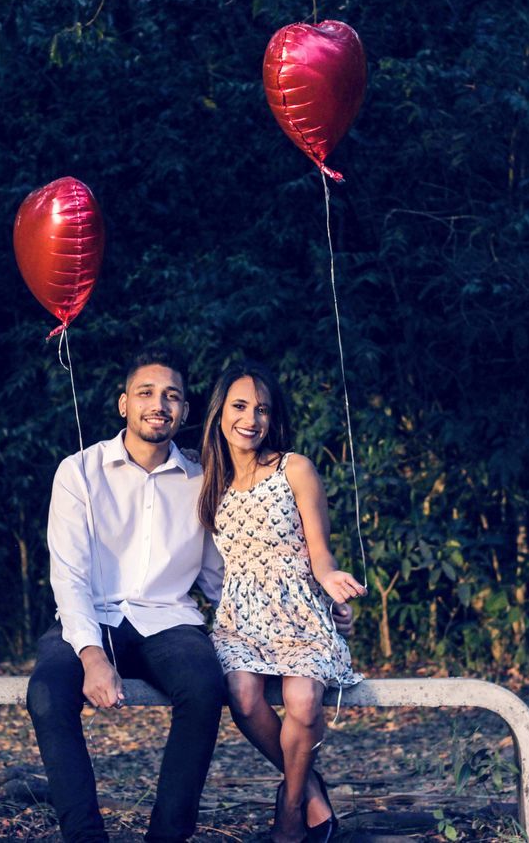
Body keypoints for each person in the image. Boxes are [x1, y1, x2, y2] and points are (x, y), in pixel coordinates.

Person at [26, 349, 351, 843]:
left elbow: (229, 570)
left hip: (169, 624)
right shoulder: (79, 471)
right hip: (90, 619)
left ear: (185, 411)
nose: (159, 405)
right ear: (123, 405)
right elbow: (68, 576)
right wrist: (92, 657)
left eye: (172, 396)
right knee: (47, 692)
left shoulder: (208, 477)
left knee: (204, 690)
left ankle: (168, 837)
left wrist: (315, 607)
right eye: (147, 394)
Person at [197, 360, 367, 843]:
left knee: (303, 698)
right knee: (245, 697)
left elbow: (321, 553)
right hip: (240, 617)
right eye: (240, 406)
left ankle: (290, 806)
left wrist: (333, 583)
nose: (251, 419)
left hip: (298, 611)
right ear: (220, 412)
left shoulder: (295, 468)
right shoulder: (209, 481)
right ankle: (309, 787)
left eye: (263, 410)